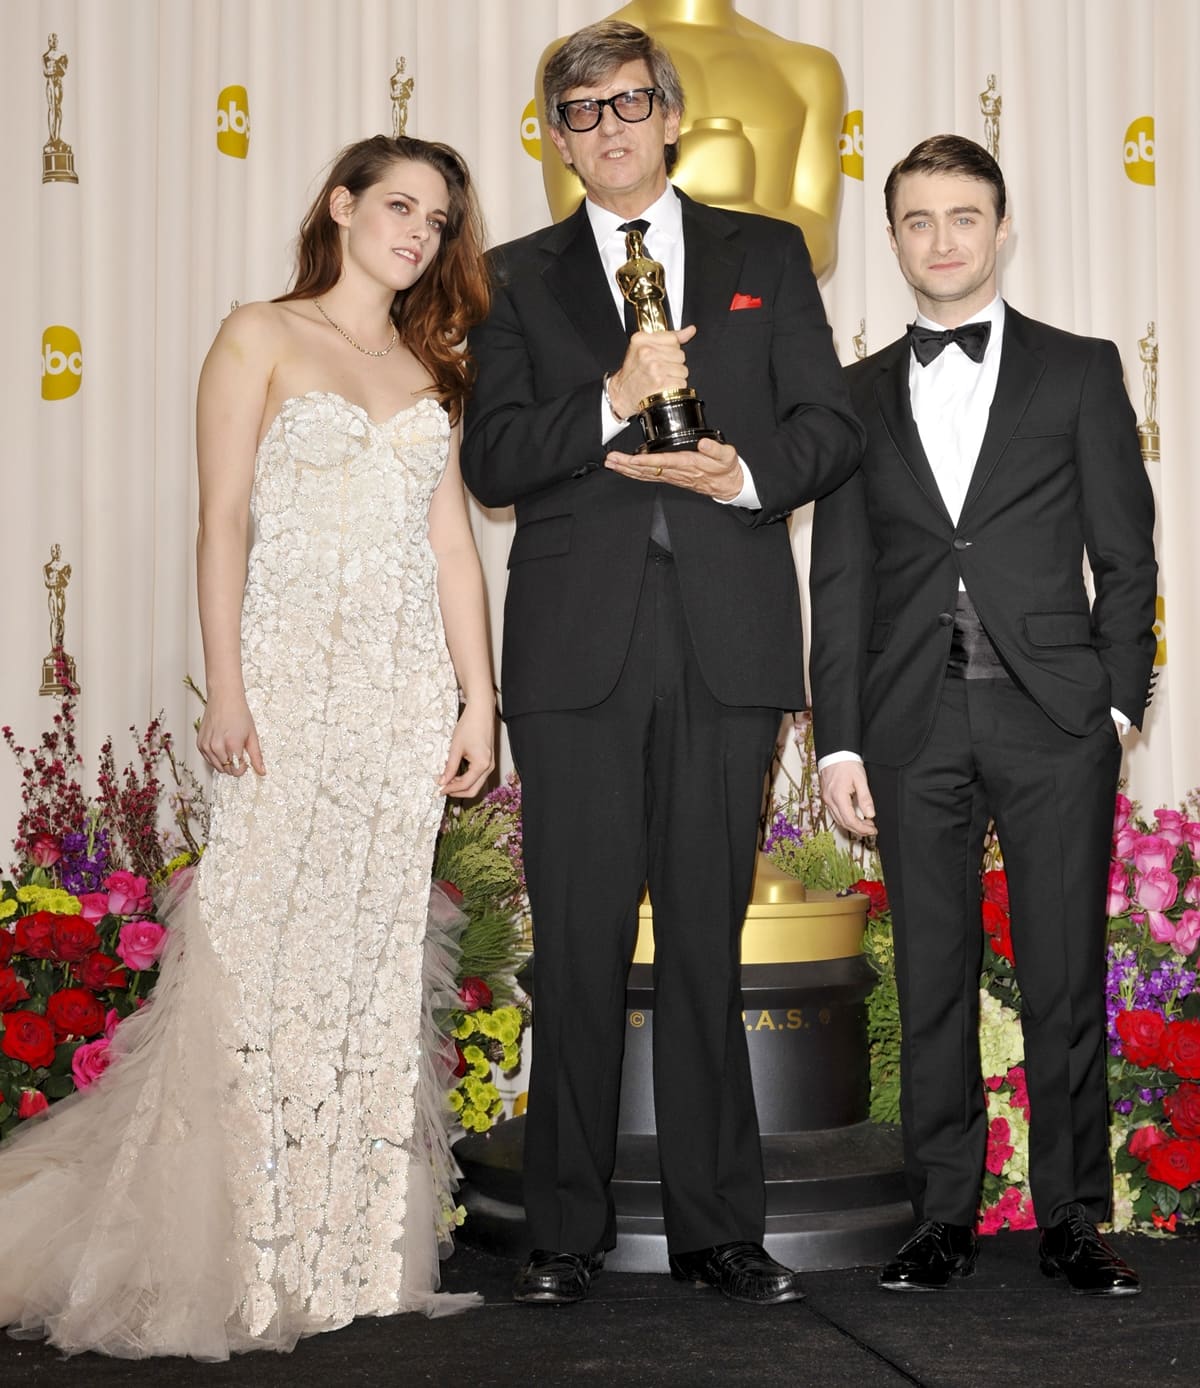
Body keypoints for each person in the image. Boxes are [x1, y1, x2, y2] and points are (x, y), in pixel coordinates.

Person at [0, 134, 494, 1357]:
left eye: (435, 219)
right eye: (398, 205)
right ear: (341, 205)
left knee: (370, 964)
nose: (417, 233)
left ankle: (356, 1255)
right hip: (280, 686)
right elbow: (220, 521)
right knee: (260, 960)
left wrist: (480, 701)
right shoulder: (259, 334)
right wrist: (226, 685)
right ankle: (241, 1259)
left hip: (400, 698)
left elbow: (451, 552)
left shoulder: (433, 368)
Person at [461, 21, 863, 1307]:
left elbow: (828, 430)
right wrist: (608, 397)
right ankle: (565, 1234)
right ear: (559, 137)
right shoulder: (514, 277)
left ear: (671, 115)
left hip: (728, 640)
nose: (611, 127)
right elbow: (494, 460)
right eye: (582, 113)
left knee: (706, 943)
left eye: (631, 103)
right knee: (575, 947)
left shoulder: (767, 252)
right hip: (575, 655)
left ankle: (718, 1232)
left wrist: (737, 473)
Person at [809, 135, 1157, 1296]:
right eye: (918, 219)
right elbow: (844, 579)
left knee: (1064, 974)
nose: (943, 238)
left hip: (1054, 716)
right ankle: (942, 1216)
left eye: (965, 216)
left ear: (1002, 230)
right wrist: (841, 734)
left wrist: (1113, 704)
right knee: (934, 976)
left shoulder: (1079, 369)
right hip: (911, 723)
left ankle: (1072, 1217)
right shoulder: (853, 395)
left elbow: (1126, 553)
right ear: (895, 236)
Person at [536, 0, 846, 277]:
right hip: (614, 320)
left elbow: (819, 241)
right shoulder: (573, 63)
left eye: (630, 102)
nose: (610, 125)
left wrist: (733, 213)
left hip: (758, 320)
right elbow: (573, 227)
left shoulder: (807, 70)